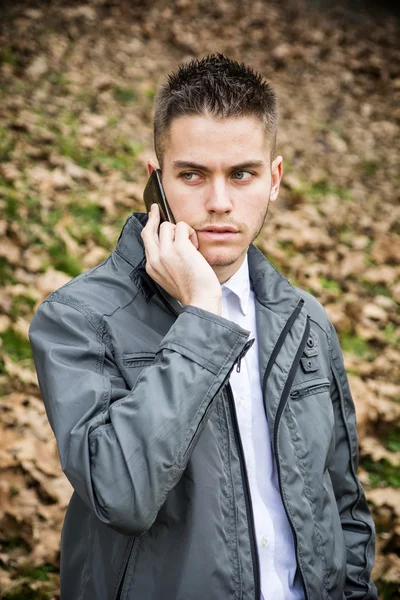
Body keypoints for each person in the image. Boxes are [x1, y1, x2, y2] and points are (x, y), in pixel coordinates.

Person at [29, 54, 377, 600]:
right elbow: (122, 493)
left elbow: (343, 507)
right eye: (192, 175)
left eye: (242, 174)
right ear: (156, 181)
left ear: (275, 179)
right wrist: (201, 315)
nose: (218, 203)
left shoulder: (304, 320)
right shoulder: (79, 318)